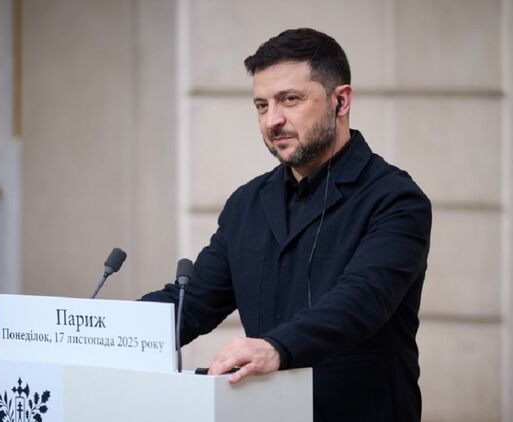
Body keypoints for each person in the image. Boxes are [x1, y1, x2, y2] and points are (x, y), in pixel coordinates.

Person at [141, 27, 431, 421]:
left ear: (341, 101)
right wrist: (102, 332)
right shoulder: (247, 203)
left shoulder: (395, 199)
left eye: (290, 99)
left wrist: (276, 347)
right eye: (261, 105)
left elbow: (362, 300)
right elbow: (193, 303)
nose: (272, 120)